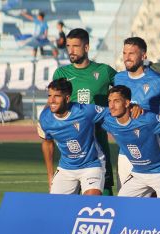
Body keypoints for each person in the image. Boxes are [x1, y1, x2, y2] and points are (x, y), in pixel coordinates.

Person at [53, 28, 116, 196]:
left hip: (98, 140)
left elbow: (127, 87)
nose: (71, 50)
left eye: (76, 46)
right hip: (72, 142)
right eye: (68, 46)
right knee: (65, 201)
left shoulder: (104, 71)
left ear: (86, 47)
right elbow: (54, 101)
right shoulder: (61, 73)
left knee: (104, 190)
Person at [113, 36, 160, 192]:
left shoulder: (159, 81)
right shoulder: (118, 78)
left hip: (151, 150)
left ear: (143, 56)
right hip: (125, 151)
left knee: (152, 200)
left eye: (132, 53)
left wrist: (154, 119)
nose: (127, 57)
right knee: (125, 199)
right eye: (124, 53)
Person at [101, 85, 160, 198]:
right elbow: (86, 113)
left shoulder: (147, 119)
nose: (111, 106)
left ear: (127, 103)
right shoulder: (108, 120)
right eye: (109, 101)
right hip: (139, 172)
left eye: (116, 101)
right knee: (121, 204)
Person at [37, 78, 106, 195]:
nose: (51, 100)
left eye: (57, 96)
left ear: (67, 98)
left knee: (90, 204)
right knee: (56, 208)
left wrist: (134, 108)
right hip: (66, 168)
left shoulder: (84, 111)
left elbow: (112, 113)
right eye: (49, 95)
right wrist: (50, 176)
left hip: (92, 165)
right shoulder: (45, 117)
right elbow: (47, 143)